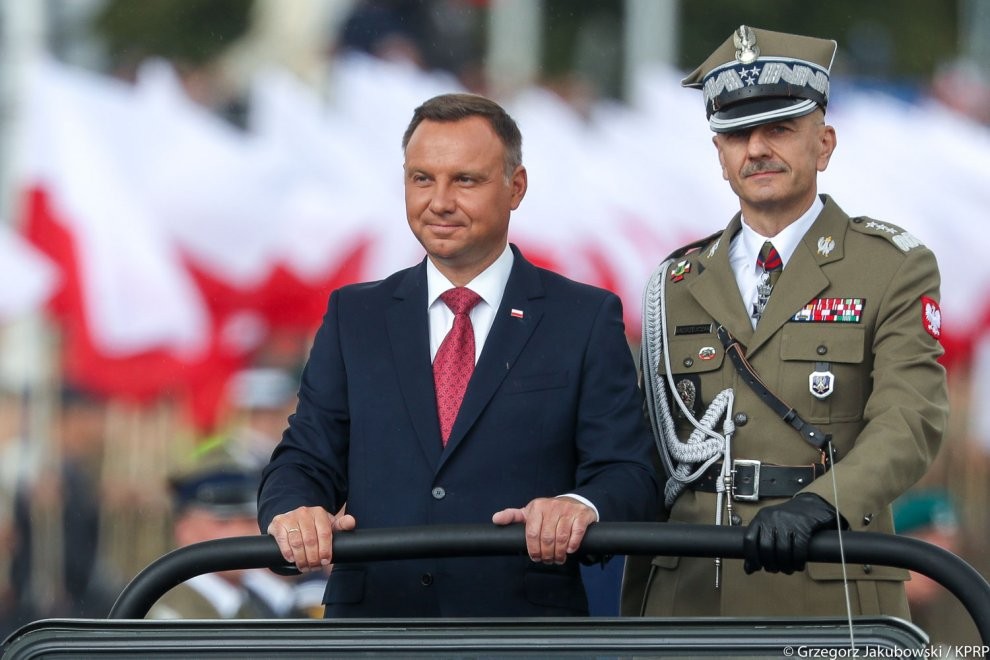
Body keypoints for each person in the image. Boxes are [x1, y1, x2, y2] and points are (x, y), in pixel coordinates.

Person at [258, 92, 660, 618]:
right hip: (375, 634)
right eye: (422, 178)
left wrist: (578, 507)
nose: (440, 201)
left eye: (465, 180)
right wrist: (295, 510)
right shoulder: (354, 315)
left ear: (516, 187)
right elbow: (306, 457)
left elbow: (629, 473)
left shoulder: (583, 318)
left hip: (521, 637)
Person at [622, 26, 948, 618]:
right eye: (736, 134)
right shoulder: (674, 283)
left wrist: (823, 504)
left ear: (824, 144)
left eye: (779, 129)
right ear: (720, 156)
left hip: (826, 583)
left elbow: (910, 420)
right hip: (690, 592)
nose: (756, 149)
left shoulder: (892, 267)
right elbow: (645, 444)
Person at [148, 450, 297, 619]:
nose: (241, 532)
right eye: (224, 522)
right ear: (185, 530)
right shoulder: (168, 612)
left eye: (249, 520)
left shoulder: (266, 598)